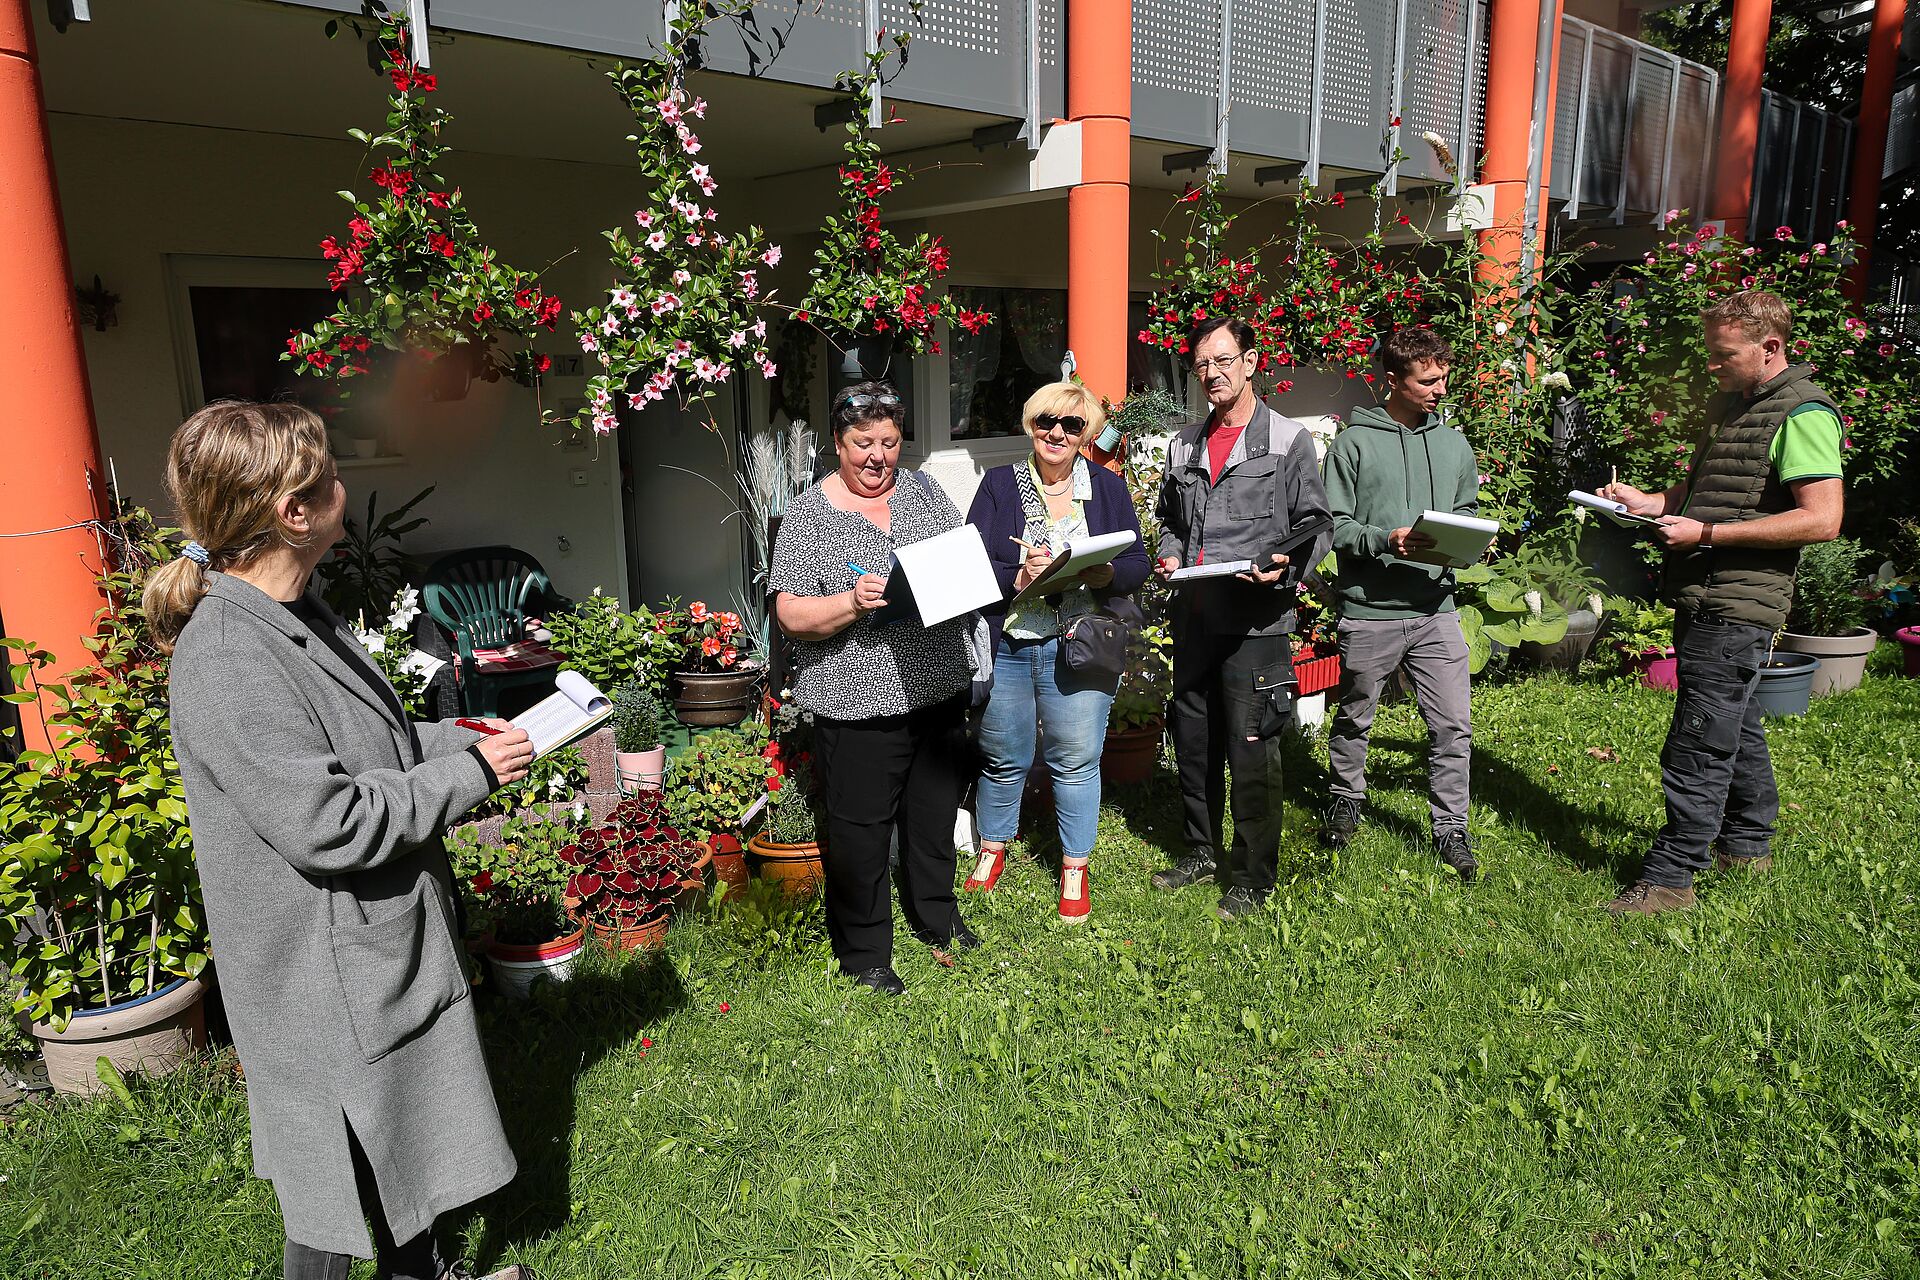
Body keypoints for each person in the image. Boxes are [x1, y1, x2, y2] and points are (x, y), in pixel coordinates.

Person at [148, 401, 534, 1280]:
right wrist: (467, 777)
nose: (341, 487)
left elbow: (371, 753)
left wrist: (464, 742)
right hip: (318, 977)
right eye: (325, 477)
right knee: (336, 1186)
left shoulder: (294, 610)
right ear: (294, 512)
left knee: (394, 1152)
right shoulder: (227, 655)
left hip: (360, 954)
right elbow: (332, 822)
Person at [1598, 289, 1845, 915]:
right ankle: (1748, 844)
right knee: (1732, 719)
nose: (1712, 365)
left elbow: (1821, 520)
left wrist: (1706, 535)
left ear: (1770, 349)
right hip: (1703, 591)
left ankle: (1672, 877)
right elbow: (1695, 496)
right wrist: (1648, 503)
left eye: (1722, 355)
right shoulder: (1736, 407)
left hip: (1742, 602)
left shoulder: (1803, 415)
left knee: (1699, 738)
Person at [769, 382, 980, 993]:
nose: (877, 457)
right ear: (838, 442)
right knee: (861, 829)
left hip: (937, 686)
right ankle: (864, 951)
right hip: (858, 699)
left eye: (889, 443)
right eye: (863, 443)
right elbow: (790, 615)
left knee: (934, 814)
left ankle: (937, 919)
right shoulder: (811, 515)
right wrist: (853, 604)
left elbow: (956, 563)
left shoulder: (922, 492)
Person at [1150, 317, 1333, 920]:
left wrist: (1284, 569)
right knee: (1195, 741)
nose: (1213, 374)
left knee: (1253, 748)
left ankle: (1254, 873)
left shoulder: (1287, 441)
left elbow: (1317, 524)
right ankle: (1200, 850)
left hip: (1256, 623)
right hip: (1196, 618)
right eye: (1202, 364)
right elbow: (1173, 523)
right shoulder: (1183, 445)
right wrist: (1171, 554)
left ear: (1251, 363)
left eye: (1223, 360)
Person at [963, 382, 1150, 923]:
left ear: (1085, 434)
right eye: (1048, 420)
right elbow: (972, 564)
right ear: (1030, 424)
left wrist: (1106, 572)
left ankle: (1074, 865)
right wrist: (1017, 574)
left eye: (1072, 426)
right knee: (1004, 754)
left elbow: (1136, 560)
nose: (1058, 434)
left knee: (1075, 758)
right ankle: (995, 846)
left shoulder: (1109, 490)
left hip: (1081, 643)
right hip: (1013, 642)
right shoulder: (999, 486)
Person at [1321, 327, 1481, 880]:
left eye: (1444, 377)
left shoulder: (1455, 444)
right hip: (1371, 610)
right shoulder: (1353, 445)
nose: (1441, 389)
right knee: (1355, 715)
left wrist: (1467, 543)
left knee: (1452, 725)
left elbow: (1466, 512)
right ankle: (1346, 798)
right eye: (1428, 380)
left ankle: (1451, 827)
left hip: (1437, 610)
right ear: (1393, 380)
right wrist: (1382, 539)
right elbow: (1332, 526)